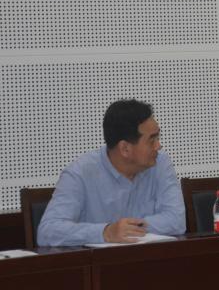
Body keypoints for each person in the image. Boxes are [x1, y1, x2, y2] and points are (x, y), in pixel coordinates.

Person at [37, 99, 185, 246]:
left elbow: (177, 221)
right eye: (152, 140)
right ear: (125, 148)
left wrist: (129, 229)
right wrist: (106, 232)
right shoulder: (80, 174)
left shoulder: (160, 163)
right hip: (99, 260)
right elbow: (47, 231)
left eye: (158, 137)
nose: (158, 146)